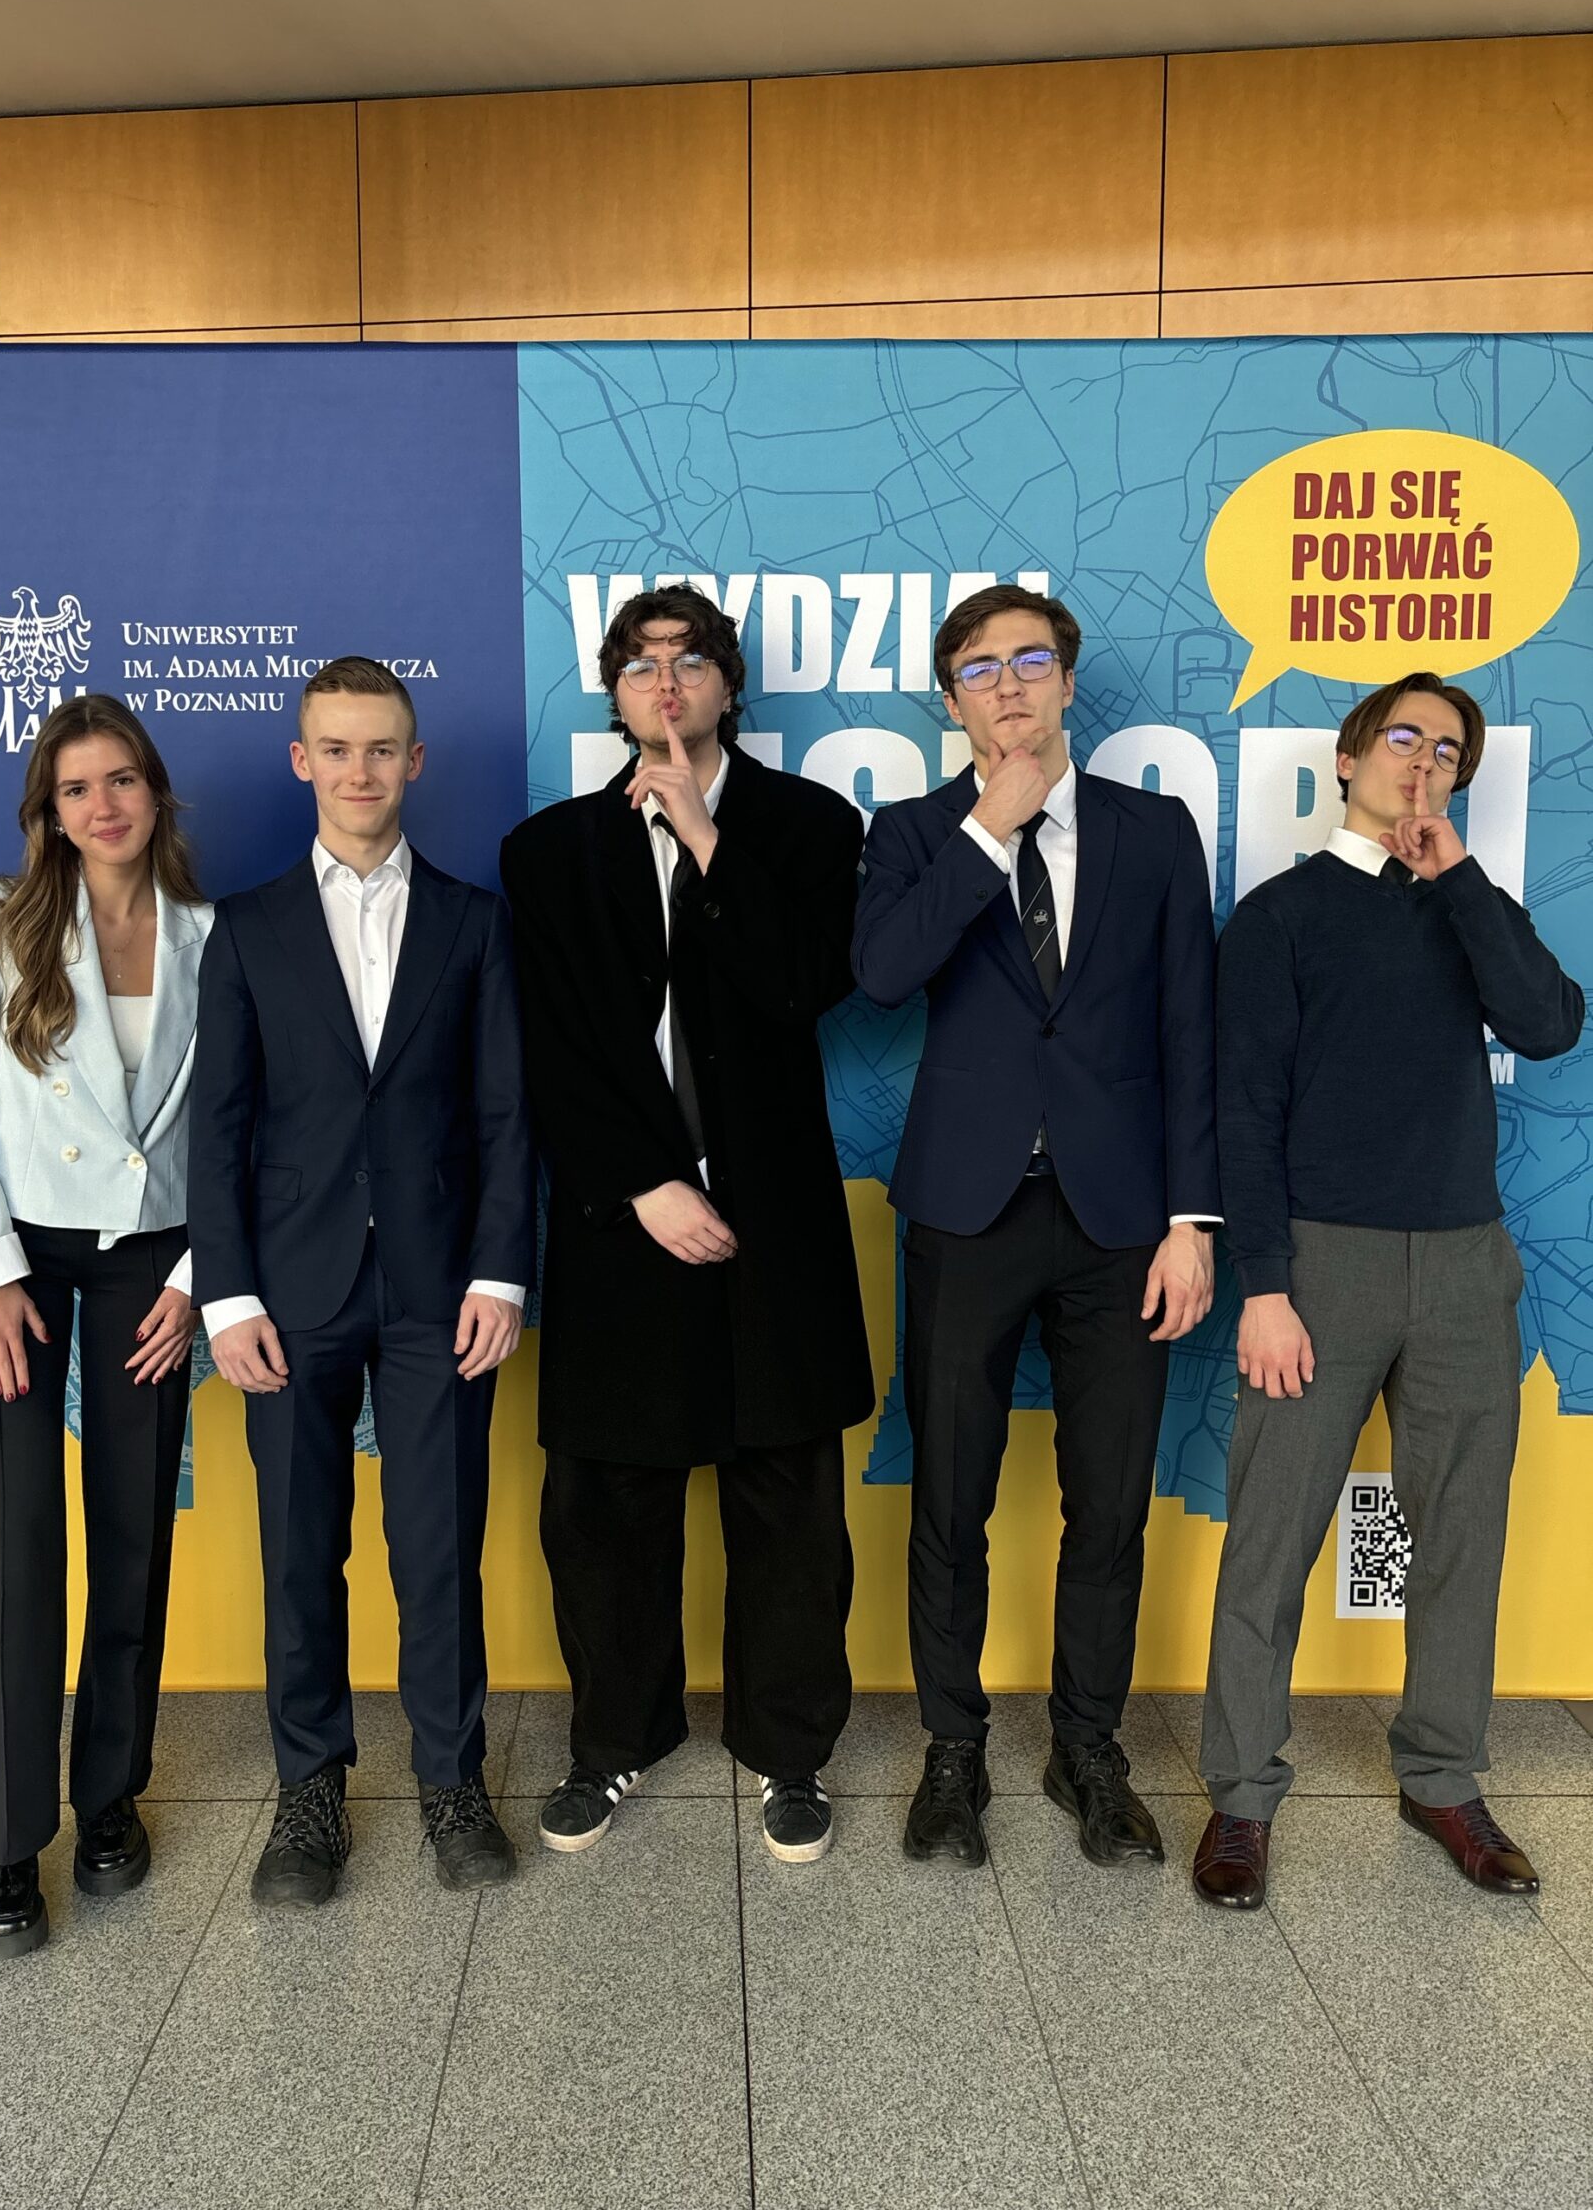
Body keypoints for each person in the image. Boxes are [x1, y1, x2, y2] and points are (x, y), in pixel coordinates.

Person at [1194, 673, 1584, 1911]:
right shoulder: (1281, 916)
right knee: (1272, 1538)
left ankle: (1443, 1778)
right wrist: (1265, 1288)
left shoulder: (1472, 904)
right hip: (1322, 1262)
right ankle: (1241, 1796)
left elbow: (1549, 1025)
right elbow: (1243, 1110)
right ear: (1351, 759)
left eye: (1449, 749)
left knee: (1462, 1534)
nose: (1424, 760)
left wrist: (1457, 876)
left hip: (1466, 1262)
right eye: (1403, 736)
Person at [500, 582, 873, 1864]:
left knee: (789, 1508)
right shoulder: (549, 853)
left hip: (774, 1225)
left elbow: (803, 985)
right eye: (642, 662)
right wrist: (644, 1185)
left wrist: (709, 839)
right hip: (623, 1222)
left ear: (727, 684)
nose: (667, 681)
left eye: (693, 659)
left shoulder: (811, 825)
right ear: (614, 692)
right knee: (605, 1506)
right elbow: (552, 1050)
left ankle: (790, 1752)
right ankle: (614, 1741)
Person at [854, 583, 1219, 1869]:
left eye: (1028, 661)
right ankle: (953, 1751)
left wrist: (1192, 1221)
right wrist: (986, 831)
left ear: (1066, 681)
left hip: (1123, 1223)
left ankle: (1087, 1749)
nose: (1006, 686)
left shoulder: (1154, 830)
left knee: (1108, 1506)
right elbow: (882, 975)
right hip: (968, 1213)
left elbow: (1190, 1027)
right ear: (950, 702)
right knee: (949, 1500)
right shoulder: (912, 833)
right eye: (978, 669)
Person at [189, 657, 532, 1901]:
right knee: (299, 1557)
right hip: (289, 1293)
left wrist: (501, 1275)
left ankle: (452, 1783)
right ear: (302, 761)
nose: (359, 770)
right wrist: (227, 1297)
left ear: (414, 761)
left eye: (381, 747)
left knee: (437, 1551)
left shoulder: (475, 922)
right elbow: (217, 1126)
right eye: (335, 748)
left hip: (441, 1292)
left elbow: (507, 1116)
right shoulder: (247, 926)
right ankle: (310, 1795)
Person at [0, 695, 209, 1958]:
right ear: (48, 810)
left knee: (134, 1532)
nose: (104, 805)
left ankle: (109, 1798)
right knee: (18, 1545)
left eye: (122, 779)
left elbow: (235, 1125)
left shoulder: (210, 934)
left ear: (155, 790)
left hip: (154, 1260)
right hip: (17, 1260)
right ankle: (3, 1839)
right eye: (77, 788)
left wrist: (197, 1276)